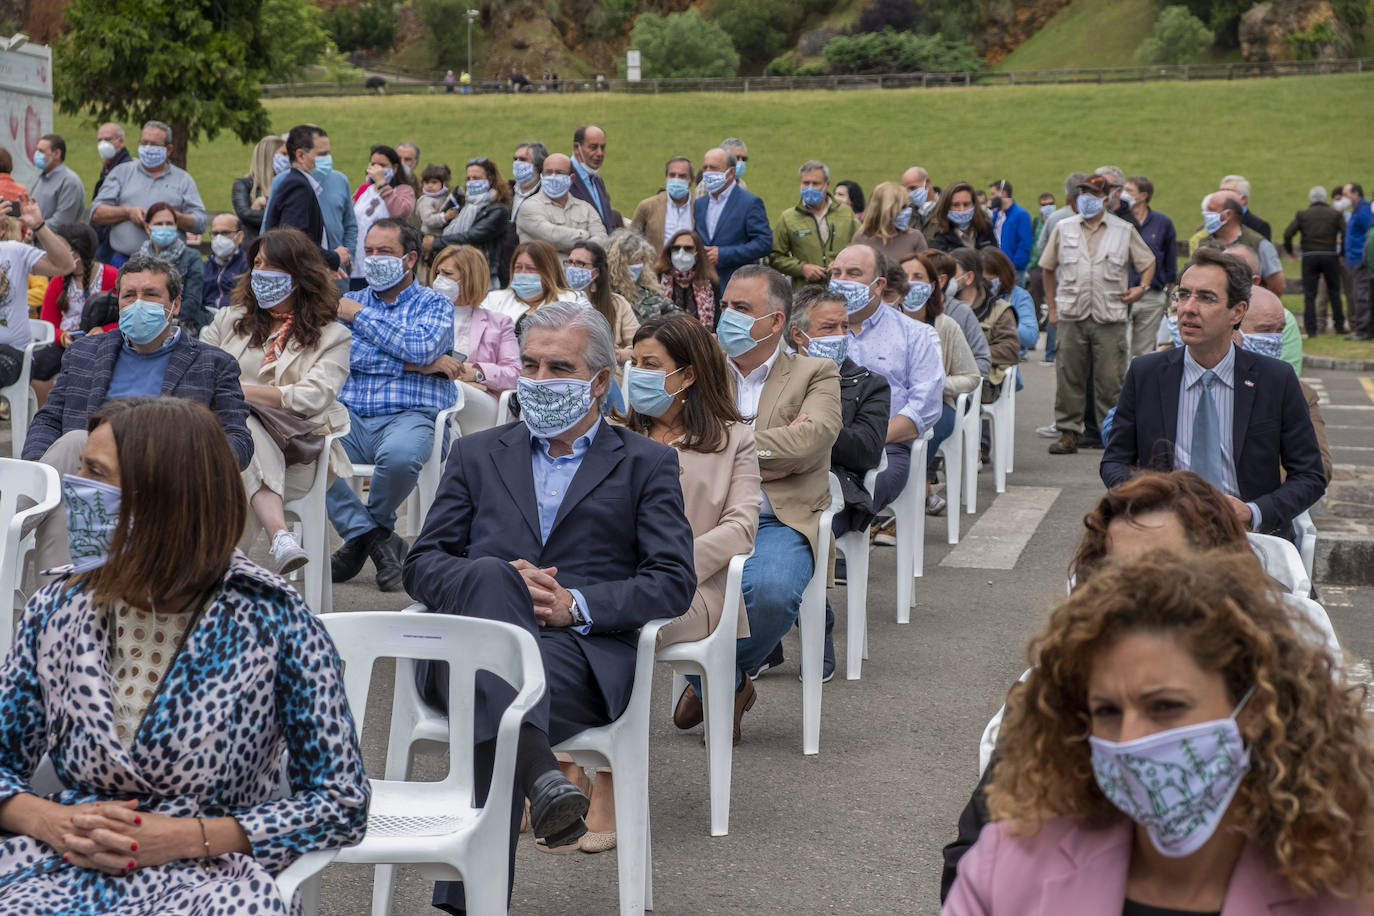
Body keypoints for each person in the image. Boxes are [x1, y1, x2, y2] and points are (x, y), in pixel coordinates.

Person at [0, 396, 370, 913]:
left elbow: (340, 804)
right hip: (60, 858)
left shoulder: (274, 622)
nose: (74, 488)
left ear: (166, 498)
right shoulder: (60, 607)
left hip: (208, 874)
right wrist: (46, 820)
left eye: (95, 473)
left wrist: (185, 837)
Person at [403, 301, 696, 904]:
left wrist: (576, 605)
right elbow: (422, 564)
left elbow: (672, 580)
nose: (538, 381)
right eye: (529, 365)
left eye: (558, 368)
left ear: (598, 382)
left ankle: (472, 898)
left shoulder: (647, 464)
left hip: (577, 659)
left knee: (499, 705)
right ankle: (543, 775)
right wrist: (500, 583)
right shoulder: (477, 454)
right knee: (489, 576)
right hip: (466, 653)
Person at [943, 549, 1374, 915]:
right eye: (1107, 711)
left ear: (1256, 709)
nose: (1129, 740)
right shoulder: (1006, 868)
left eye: (1166, 707)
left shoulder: (1345, 886)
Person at [24, 254, 253, 573]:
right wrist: (38, 464)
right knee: (74, 446)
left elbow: (238, 438)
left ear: (174, 304)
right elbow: (49, 418)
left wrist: (189, 465)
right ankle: (60, 606)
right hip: (89, 473)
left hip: (162, 478)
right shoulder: (85, 351)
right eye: (129, 295)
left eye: (150, 295)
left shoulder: (213, 364)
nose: (138, 303)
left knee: (76, 450)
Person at [1102, 247, 1325, 538]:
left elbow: (1310, 476)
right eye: (1183, 295)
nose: (1188, 308)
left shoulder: (1275, 380)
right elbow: (1114, 460)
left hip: (1248, 536)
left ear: (1238, 311)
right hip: (1163, 531)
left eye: (1206, 298)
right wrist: (1148, 501)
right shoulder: (1146, 373)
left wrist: (1253, 511)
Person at [717, 265, 841, 712]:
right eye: (725, 305)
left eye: (741, 308)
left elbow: (812, 440)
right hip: (703, 517)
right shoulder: (700, 370)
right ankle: (728, 683)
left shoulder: (815, 372)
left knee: (770, 593)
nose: (726, 315)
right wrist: (770, 454)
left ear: (775, 323)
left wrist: (724, 446)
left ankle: (711, 678)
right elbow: (670, 441)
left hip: (780, 520)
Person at [200, 227, 352, 574]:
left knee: (243, 429)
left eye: (273, 266)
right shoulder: (229, 320)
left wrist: (237, 394)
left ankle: (214, 578)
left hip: (296, 456)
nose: (260, 272)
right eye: (256, 263)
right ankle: (276, 536)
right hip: (215, 444)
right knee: (237, 444)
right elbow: (199, 372)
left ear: (299, 274)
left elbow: (312, 397)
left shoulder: (332, 336)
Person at [326, 218, 456, 591]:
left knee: (400, 458)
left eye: (385, 251)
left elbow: (423, 345)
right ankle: (378, 538)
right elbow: (342, 356)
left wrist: (359, 317)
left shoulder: (433, 302)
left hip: (410, 414)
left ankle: (366, 533)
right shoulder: (344, 302)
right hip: (348, 414)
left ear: (410, 258)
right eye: (370, 251)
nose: (374, 259)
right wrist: (415, 365)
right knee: (304, 450)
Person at [782, 285, 887, 669]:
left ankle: (816, 627)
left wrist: (819, 429)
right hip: (771, 484)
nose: (841, 336)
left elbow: (866, 450)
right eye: (829, 328)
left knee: (797, 531)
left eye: (844, 326)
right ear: (798, 334)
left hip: (833, 492)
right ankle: (758, 641)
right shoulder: (772, 377)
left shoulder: (867, 384)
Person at [829, 244, 942, 536]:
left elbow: (925, 407)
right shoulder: (809, 332)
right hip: (821, 441)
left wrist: (863, 440)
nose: (843, 281)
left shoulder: (914, 335)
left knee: (853, 492)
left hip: (886, 447)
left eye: (854, 274)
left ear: (878, 285)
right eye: (836, 273)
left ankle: (826, 548)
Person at [1041, 174, 1156, 455]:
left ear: (1106, 197)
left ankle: (1113, 436)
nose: (1086, 198)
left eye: (1093, 193)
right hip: (1071, 312)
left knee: (1110, 379)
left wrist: (1141, 288)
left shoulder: (1123, 229)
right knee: (1069, 374)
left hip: (1109, 315)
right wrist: (1052, 308)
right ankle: (1068, 432)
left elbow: (1148, 261)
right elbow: (1047, 267)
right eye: (1083, 193)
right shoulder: (1064, 227)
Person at [896, 253, 981, 514]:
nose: (910, 284)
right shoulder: (885, 325)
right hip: (894, 404)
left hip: (940, 405)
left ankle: (908, 503)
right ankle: (919, 493)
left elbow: (971, 377)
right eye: (904, 278)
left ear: (933, 286)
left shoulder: (946, 326)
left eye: (918, 278)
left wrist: (936, 385)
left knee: (921, 430)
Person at [1240, 285, 1332, 483]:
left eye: (1279, 331)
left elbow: (1318, 467)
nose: (1274, 339)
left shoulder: (1301, 393)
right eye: (1265, 330)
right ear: (1232, 329)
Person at [89, 120, 206, 266]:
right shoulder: (121, 172)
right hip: (124, 261)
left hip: (169, 264)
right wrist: (128, 213)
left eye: (154, 144)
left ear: (168, 150)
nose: (148, 148)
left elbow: (200, 223)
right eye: (144, 143)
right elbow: (97, 212)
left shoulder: (183, 179)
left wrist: (171, 217)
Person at [416, 244, 519, 398]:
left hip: (475, 401)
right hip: (427, 392)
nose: (439, 279)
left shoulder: (500, 323)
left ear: (470, 278)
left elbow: (514, 374)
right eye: (438, 273)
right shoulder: (418, 315)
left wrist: (477, 373)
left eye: (447, 273)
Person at [32, 223, 116, 400]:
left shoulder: (111, 276)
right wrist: (63, 337)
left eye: (61, 248)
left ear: (78, 252)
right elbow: (48, 324)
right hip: (65, 344)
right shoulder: (57, 282)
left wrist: (104, 331)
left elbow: (126, 317)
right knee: (37, 367)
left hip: (101, 344)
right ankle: (44, 417)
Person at [260, 125, 341, 271]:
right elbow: (294, 243)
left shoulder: (300, 183)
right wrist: (334, 257)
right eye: (322, 154)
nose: (327, 159)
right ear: (301, 155)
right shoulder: (297, 186)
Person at [692, 147, 771, 291]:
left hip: (736, 285)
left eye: (714, 168)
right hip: (703, 287)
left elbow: (764, 243)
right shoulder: (699, 204)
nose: (708, 172)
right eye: (705, 168)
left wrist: (723, 254)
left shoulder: (750, 203)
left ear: (731, 172)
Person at [769, 159, 858, 288]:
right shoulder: (788, 218)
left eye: (815, 183)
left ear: (827, 184)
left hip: (842, 289)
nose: (810, 188)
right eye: (806, 183)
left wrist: (843, 263)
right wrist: (802, 268)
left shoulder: (846, 213)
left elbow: (862, 246)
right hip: (806, 292)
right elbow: (774, 256)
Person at [1122, 175, 1177, 358]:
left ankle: (1139, 386)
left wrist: (1165, 290)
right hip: (1123, 293)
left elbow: (1170, 259)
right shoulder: (1120, 220)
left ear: (1143, 196)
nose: (1123, 194)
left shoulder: (1163, 222)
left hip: (1151, 295)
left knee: (1143, 352)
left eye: (1129, 191)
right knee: (1121, 347)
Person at [436, 158, 512, 290]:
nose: (471, 182)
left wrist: (435, 242)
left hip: (484, 276)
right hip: (459, 272)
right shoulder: (464, 205)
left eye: (476, 178)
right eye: (468, 178)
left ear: (491, 180)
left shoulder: (497, 210)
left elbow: (471, 236)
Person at [480, 239, 589, 331]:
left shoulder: (574, 300)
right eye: (518, 267)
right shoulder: (493, 300)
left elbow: (591, 335)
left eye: (531, 268)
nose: (523, 273)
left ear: (548, 272)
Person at [349, 145, 416, 291]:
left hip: (386, 263)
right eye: (374, 164)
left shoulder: (403, 190)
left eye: (382, 165)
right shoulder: (363, 190)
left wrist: (382, 184)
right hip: (359, 263)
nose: (377, 169)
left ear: (395, 168)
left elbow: (400, 212)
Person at [1283, 185, 1347, 338]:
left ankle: (1311, 329)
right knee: (1334, 292)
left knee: (1309, 294)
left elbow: (1287, 233)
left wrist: (1290, 251)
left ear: (1310, 199)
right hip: (1330, 255)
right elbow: (1346, 233)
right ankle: (1339, 326)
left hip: (1310, 256)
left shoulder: (1303, 215)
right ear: (1325, 198)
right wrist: (1342, 252)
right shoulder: (1335, 214)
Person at [1196, 190, 1286, 297]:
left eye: (1211, 209)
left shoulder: (1259, 244)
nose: (1205, 213)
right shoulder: (1203, 243)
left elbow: (1277, 285)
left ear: (1228, 214)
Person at [515, 153, 606, 255]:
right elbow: (552, 236)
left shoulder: (586, 208)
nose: (553, 176)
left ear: (571, 179)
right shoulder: (528, 207)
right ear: (542, 176)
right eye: (548, 172)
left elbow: (602, 240)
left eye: (559, 172)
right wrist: (585, 237)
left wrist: (567, 248)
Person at [138, 202, 208, 332]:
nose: (164, 228)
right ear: (148, 228)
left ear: (176, 227)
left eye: (169, 224)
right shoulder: (137, 259)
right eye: (159, 224)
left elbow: (192, 301)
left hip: (183, 325)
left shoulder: (192, 257)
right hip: (143, 324)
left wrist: (162, 322)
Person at [566, 239, 639, 363]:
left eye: (579, 263)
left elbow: (640, 346)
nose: (572, 268)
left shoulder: (617, 303)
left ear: (595, 272)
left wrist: (619, 354)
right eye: (570, 262)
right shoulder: (556, 299)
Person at [604, 228, 675, 322]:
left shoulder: (648, 291)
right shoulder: (605, 294)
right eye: (634, 260)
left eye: (641, 259)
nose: (639, 264)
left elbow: (675, 313)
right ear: (618, 263)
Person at [853, 181, 929, 268]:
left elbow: (925, 274)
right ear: (884, 210)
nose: (908, 211)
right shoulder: (861, 238)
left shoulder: (915, 237)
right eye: (902, 207)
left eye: (907, 206)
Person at [980, 247, 1038, 354]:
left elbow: (1031, 337)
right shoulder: (975, 296)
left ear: (1001, 275)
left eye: (987, 280)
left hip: (1007, 361)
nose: (984, 286)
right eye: (980, 280)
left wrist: (1002, 322)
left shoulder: (1019, 296)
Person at [657, 229, 719, 327]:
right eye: (676, 248)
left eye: (688, 248)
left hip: (700, 339)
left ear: (698, 253)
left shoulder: (710, 282)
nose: (681, 253)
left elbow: (717, 319)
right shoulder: (657, 279)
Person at [630, 156, 694, 249]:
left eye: (682, 176)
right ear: (666, 178)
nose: (676, 180)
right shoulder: (648, 206)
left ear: (692, 180)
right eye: (672, 175)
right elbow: (631, 241)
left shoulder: (699, 206)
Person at [91, 123, 133, 262]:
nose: (103, 144)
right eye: (99, 140)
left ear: (120, 141)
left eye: (108, 139)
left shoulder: (126, 168)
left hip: (113, 240)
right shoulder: (108, 167)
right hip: (103, 237)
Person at [230, 136, 283, 245]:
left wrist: (263, 201)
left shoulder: (287, 184)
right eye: (284, 154)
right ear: (269, 156)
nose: (288, 159)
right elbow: (245, 214)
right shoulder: (244, 184)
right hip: (253, 247)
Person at [569, 125, 615, 235]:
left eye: (602, 147)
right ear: (577, 148)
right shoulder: (565, 178)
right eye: (593, 147)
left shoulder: (598, 182)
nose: (600, 153)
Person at [30, 134, 84, 226]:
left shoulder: (69, 181)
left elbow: (63, 221)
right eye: (37, 150)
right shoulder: (41, 179)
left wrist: (35, 230)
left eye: (41, 151)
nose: (36, 155)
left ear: (57, 154)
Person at [930, 182, 997, 252]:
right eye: (956, 205)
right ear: (947, 207)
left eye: (966, 204)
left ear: (974, 205)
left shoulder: (986, 229)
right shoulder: (940, 237)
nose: (962, 210)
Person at [203, 212, 249, 313]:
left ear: (239, 236)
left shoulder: (248, 266)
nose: (219, 238)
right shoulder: (204, 267)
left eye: (225, 233)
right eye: (215, 233)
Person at [986, 180, 1031, 284]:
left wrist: (1013, 267)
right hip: (996, 269)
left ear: (1003, 193)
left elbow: (1025, 244)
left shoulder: (1020, 215)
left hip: (1013, 271)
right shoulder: (997, 215)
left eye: (993, 194)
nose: (991, 198)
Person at [1343, 182, 1372, 340]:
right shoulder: (1357, 210)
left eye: (1346, 194)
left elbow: (1370, 230)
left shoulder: (1363, 210)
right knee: (1357, 294)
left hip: (1361, 259)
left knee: (1361, 295)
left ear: (1356, 194)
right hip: (1354, 259)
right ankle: (1363, 328)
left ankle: (1363, 330)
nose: (1344, 198)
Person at [1220, 172, 1273, 240]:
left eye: (1229, 192)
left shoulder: (1259, 226)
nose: (1222, 196)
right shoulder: (1215, 222)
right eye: (1221, 191)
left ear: (1243, 198)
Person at [417, 163, 458, 246]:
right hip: (429, 237)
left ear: (444, 184)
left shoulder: (443, 197)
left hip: (442, 236)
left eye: (434, 182)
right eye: (427, 182)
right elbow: (428, 220)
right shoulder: (426, 200)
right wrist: (444, 217)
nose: (430, 186)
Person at [509, 140, 547, 225]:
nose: (517, 163)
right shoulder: (505, 190)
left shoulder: (546, 195)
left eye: (523, 159)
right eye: (515, 159)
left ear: (538, 164)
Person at [901, 166, 938, 231]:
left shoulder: (949, 207)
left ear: (927, 182)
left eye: (912, 188)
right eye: (906, 190)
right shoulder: (907, 213)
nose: (909, 194)